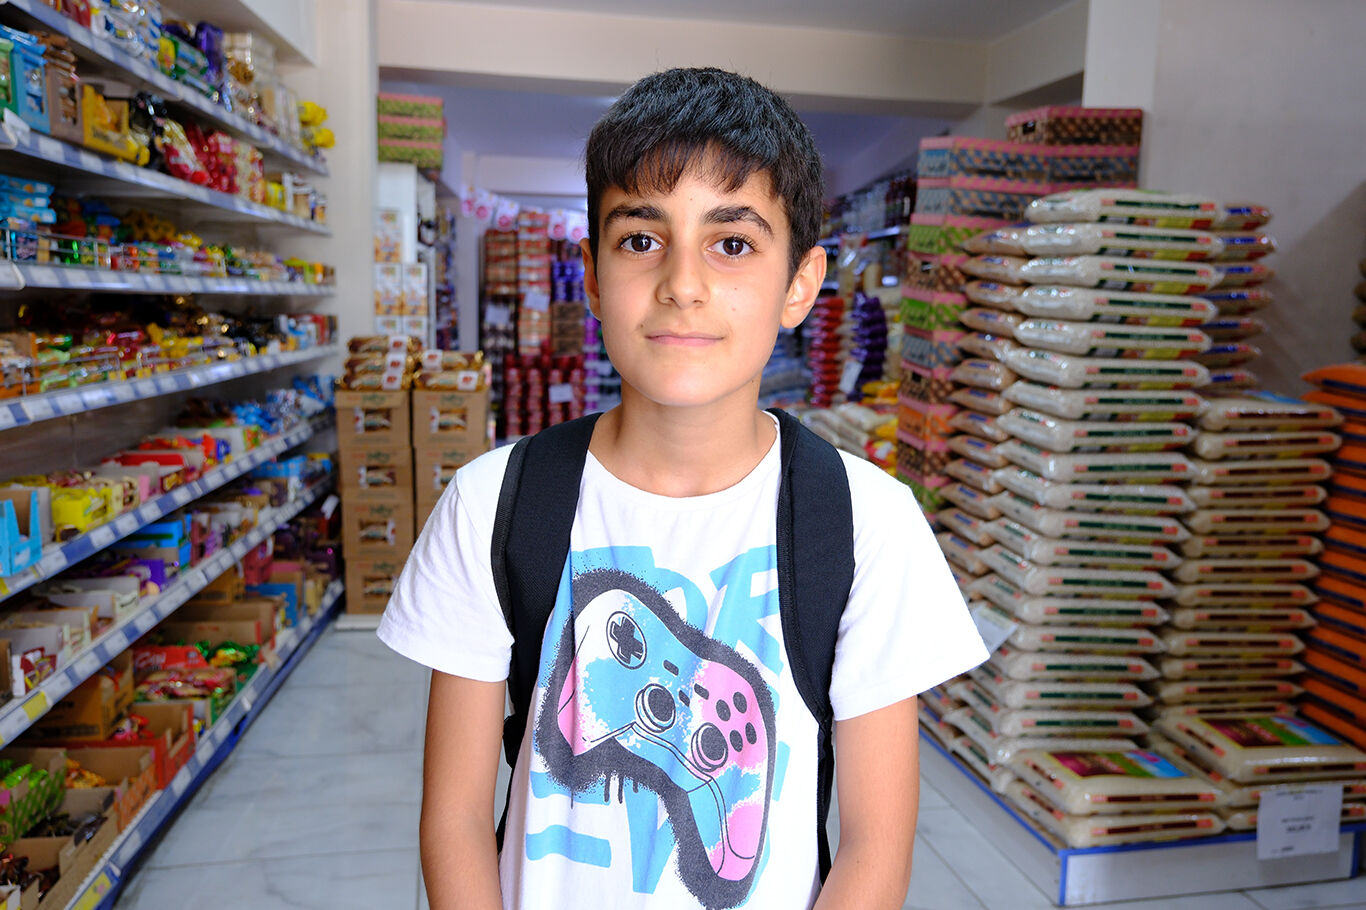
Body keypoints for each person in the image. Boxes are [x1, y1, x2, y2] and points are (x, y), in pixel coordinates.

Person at [378, 66, 987, 910]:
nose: (683, 284)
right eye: (641, 239)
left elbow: (875, 848)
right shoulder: (493, 504)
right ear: (593, 276)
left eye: (731, 243)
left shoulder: (866, 525)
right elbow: (453, 822)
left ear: (800, 284)